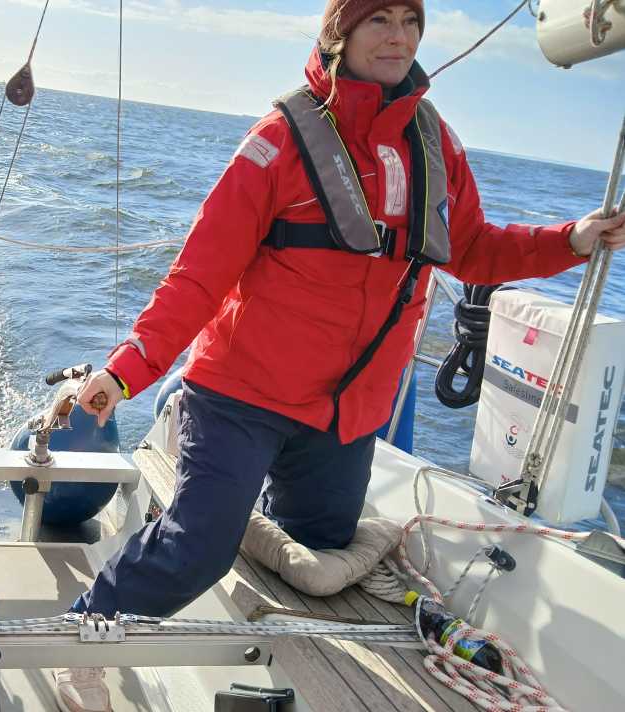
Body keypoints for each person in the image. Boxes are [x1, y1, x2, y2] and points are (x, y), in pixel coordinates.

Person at [52, 1, 625, 710]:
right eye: (379, 18)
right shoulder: (276, 141)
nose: (398, 35)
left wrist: (569, 239)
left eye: (410, 20)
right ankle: (85, 631)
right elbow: (199, 276)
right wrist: (126, 370)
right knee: (200, 545)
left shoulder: (435, 143)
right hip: (242, 396)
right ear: (339, 34)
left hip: (345, 414)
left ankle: (234, 524)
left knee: (319, 550)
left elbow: (473, 246)